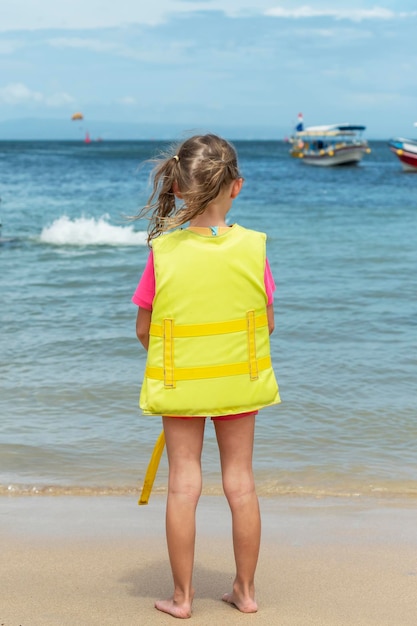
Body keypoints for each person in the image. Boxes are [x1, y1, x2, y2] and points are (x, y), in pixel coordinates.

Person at [132, 134, 280, 619]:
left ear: (175, 187)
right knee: (241, 485)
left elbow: (145, 329)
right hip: (239, 384)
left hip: (182, 385)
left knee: (183, 487)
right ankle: (246, 591)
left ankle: (181, 598)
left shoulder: (164, 251)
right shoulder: (254, 248)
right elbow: (268, 322)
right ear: (236, 187)